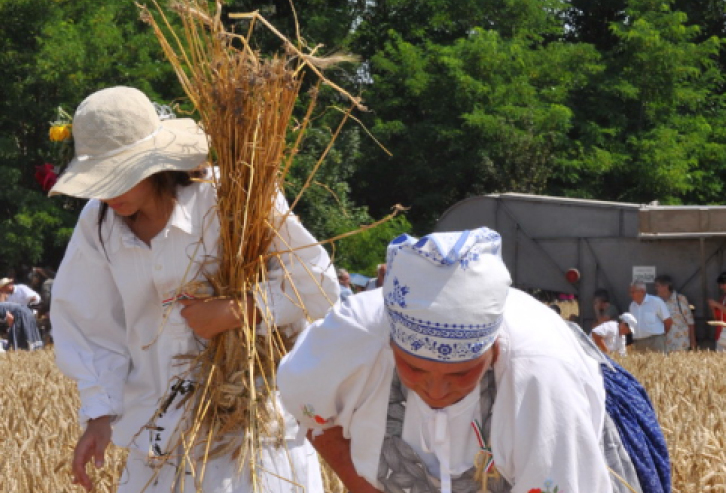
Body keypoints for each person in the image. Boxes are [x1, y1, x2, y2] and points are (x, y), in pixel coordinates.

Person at [49, 86, 339, 492]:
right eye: (98, 179)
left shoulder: (230, 197)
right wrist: (99, 416)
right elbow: (88, 324)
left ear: (153, 164)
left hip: (247, 426)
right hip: (157, 433)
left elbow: (316, 280)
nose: (106, 191)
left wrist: (239, 311)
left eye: (119, 176)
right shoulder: (98, 223)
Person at [279, 228, 670, 493]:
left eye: (461, 373)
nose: (436, 390)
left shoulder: (540, 373)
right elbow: (317, 419)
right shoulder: (352, 339)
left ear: (494, 349)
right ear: (390, 344)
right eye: (414, 368)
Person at [653, 275, 696, 352]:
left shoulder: (680, 299)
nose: (655, 289)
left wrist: (693, 341)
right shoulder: (654, 301)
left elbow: (690, 321)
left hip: (680, 344)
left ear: (666, 286)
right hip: (662, 344)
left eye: (657, 286)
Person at [629, 281, 672, 353]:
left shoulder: (656, 302)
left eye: (633, 292)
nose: (631, 295)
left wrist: (661, 335)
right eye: (630, 292)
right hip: (638, 342)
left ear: (642, 291)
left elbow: (668, 321)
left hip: (655, 341)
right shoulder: (632, 306)